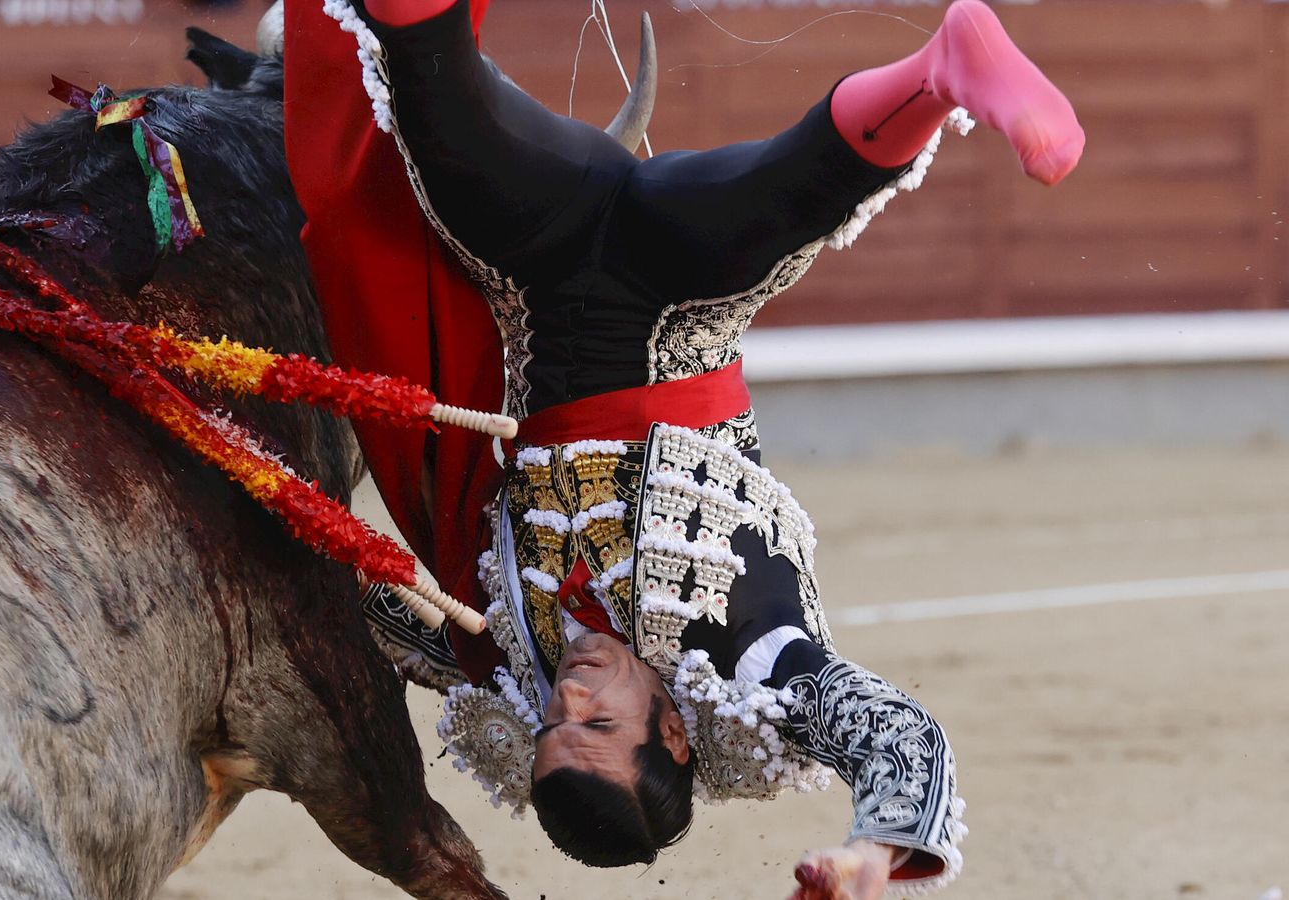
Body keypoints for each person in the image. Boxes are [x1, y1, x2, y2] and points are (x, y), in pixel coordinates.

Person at [282, 1, 1084, 896]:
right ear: (669, 733)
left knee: (435, 100)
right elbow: (895, 731)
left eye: (551, 731)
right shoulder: (745, 668)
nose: (565, 704)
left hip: (536, 268)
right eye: (594, 727)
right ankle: (943, 68)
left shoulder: (512, 661)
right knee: (801, 185)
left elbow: (353, 596)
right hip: (681, 291)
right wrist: (878, 853)